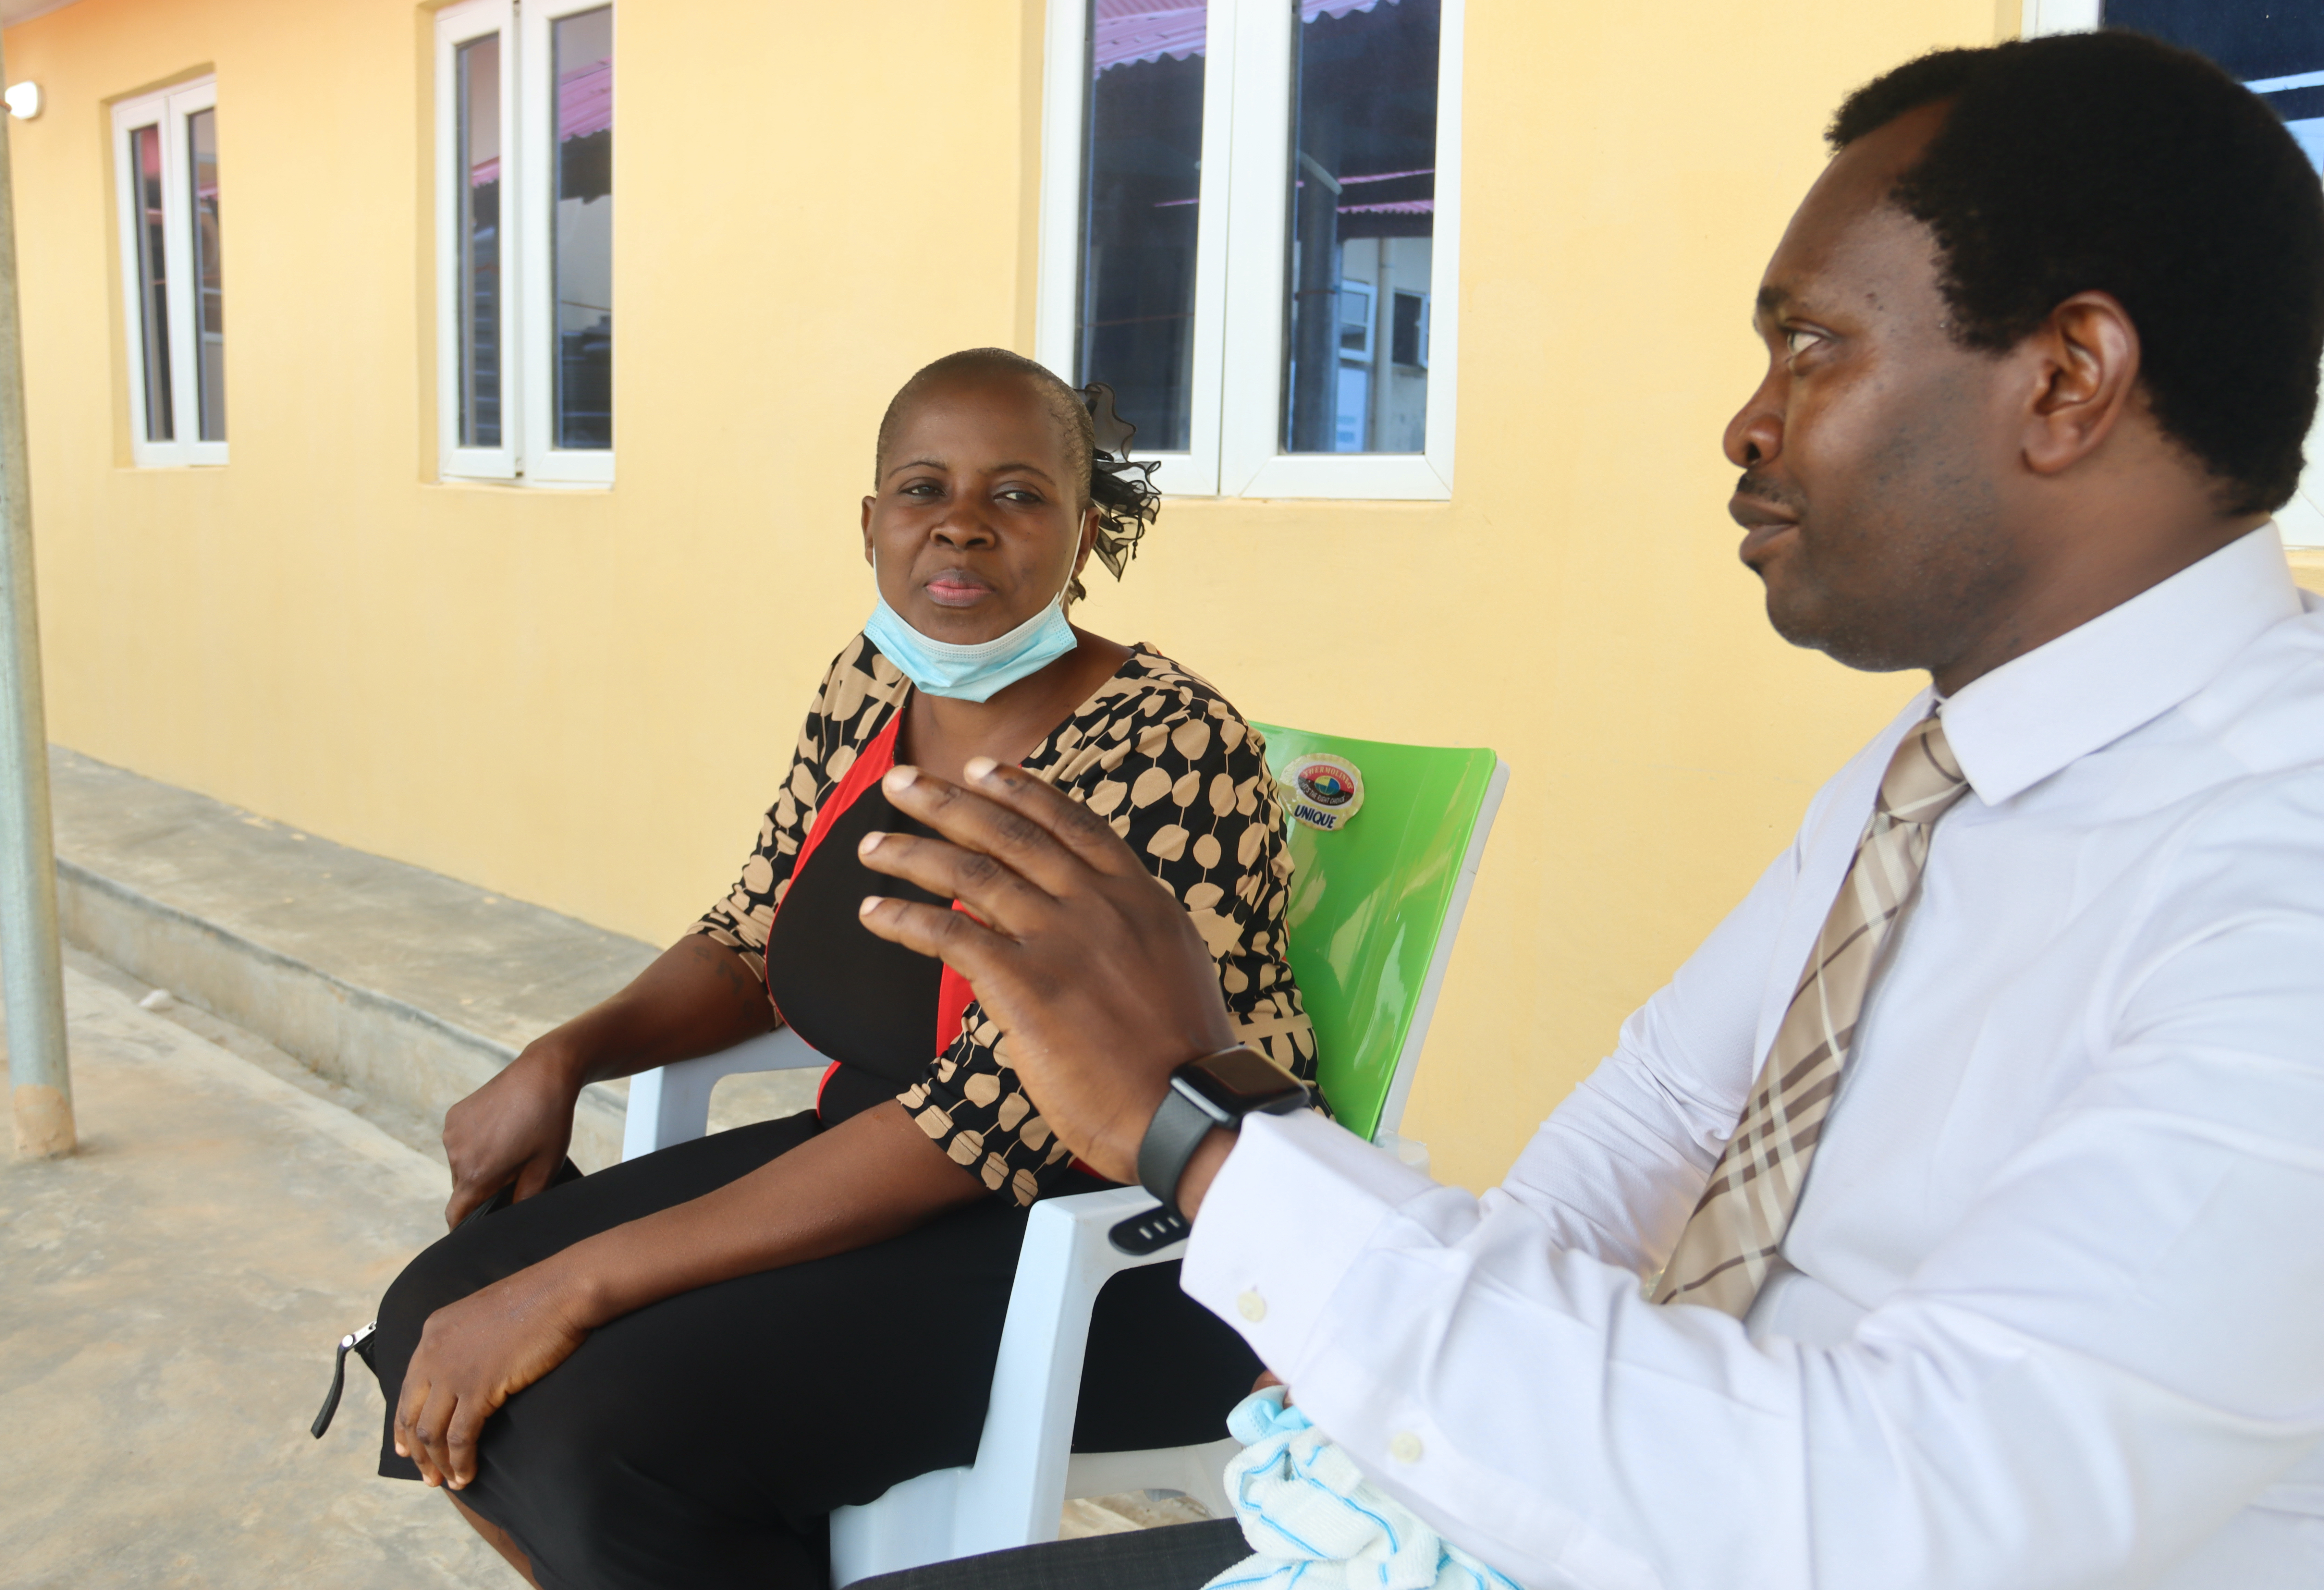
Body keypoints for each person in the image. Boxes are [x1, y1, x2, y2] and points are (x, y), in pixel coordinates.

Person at [847, 34, 2324, 1590]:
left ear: (2068, 380)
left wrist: (1207, 1122)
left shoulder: (2278, 881)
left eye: (1813, 348)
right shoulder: (1944, 758)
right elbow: (1672, 1110)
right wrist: (1404, 1377)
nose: (1750, 426)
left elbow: (1912, 1511)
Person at [370, 347, 1319, 1589]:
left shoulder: (1173, 745)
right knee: (429, 1321)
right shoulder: (871, 685)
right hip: (880, 1184)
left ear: (1085, 535)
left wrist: (580, 1281)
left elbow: (1007, 1112)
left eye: (1019, 495)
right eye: (923, 489)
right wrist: (566, 1057)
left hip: (1117, 1251)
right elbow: (752, 936)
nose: (963, 526)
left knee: (614, 1427)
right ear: (871, 524)